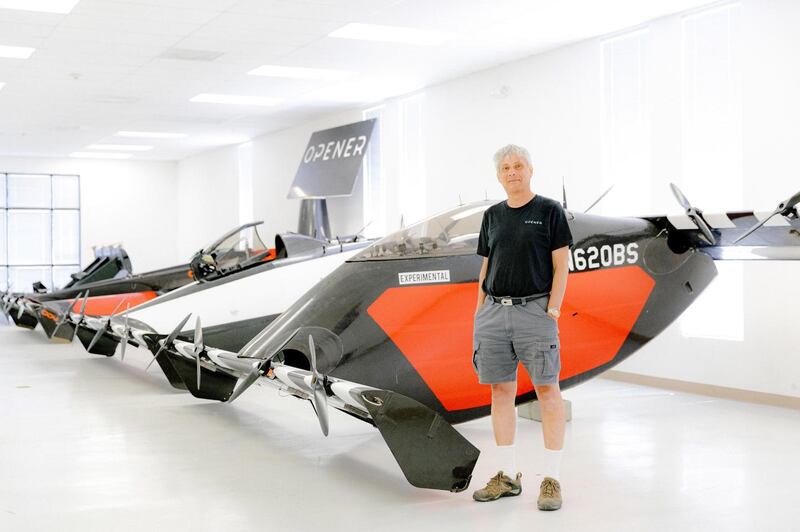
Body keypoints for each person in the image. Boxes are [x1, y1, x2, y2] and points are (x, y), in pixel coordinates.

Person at [471, 144, 572, 511]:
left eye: (518, 165)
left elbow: (561, 265)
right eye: (505, 168)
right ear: (499, 176)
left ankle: (551, 480)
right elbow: (486, 267)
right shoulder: (492, 216)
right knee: (501, 391)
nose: (512, 172)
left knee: (547, 391)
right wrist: (479, 312)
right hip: (494, 314)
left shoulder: (549, 211)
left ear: (530, 170)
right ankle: (507, 477)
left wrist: (553, 309)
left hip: (535, 312)